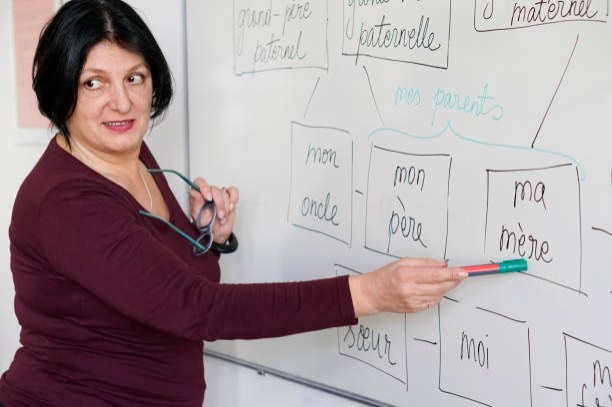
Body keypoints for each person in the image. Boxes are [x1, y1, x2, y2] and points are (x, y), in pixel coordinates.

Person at [0, 1, 467, 406]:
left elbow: (174, 287)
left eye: (134, 77)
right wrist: (367, 294)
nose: (121, 102)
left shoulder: (132, 157)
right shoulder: (65, 201)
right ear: (61, 90)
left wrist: (209, 238)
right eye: (93, 83)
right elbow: (198, 308)